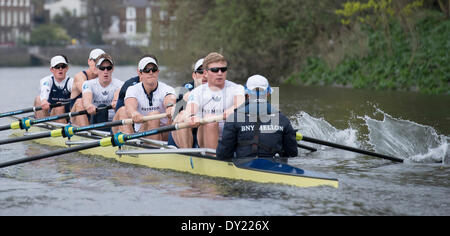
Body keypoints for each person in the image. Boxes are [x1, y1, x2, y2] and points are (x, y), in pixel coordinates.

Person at [216, 75, 298, 159]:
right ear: (268, 93)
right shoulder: (282, 119)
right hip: (275, 167)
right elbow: (292, 152)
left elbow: (223, 154)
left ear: (247, 93)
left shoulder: (233, 118)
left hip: (243, 166)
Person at [183, 52, 245, 149]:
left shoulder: (237, 88)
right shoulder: (197, 92)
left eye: (223, 70)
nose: (220, 73)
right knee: (210, 120)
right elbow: (188, 113)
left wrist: (233, 109)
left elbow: (240, 103)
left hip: (230, 137)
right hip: (205, 136)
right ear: (205, 73)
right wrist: (191, 118)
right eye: (215, 70)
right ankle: (212, 157)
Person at [123, 56, 176, 140]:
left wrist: (170, 107)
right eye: (147, 70)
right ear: (140, 73)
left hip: (164, 131)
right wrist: (134, 113)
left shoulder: (167, 89)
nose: (151, 72)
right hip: (142, 132)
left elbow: (169, 98)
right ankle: (155, 149)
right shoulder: (132, 89)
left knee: (178, 117)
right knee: (154, 115)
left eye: (154, 69)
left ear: (158, 72)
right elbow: (130, 105)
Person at [168, 58, 207, 148]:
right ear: (194, 75)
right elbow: (174, 109)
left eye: (208, 71)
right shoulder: (187, 88)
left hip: (206, 130)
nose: (204, 75)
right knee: (180, 117)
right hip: (188, 130)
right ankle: (187, 154)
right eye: (201, 72)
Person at [80, 53, 124, 127]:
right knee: (100, 107)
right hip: (96, 120)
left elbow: (118, 93)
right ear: (97, 69)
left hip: (114, 122)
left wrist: (116, 101)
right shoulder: (88, 84)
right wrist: (88, 105)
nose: (105, 71)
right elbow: (86, 99)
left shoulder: (120, 84)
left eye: (108, 68)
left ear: (112, 69)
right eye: (102, 68)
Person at [70, 48, 105, 126]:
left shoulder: (106, 78)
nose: (97, 64)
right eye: (95, 61)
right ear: (89, 61)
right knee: (80, 101)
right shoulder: (80, 77)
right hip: (75, 119)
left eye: (100, 62)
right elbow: (85, 89)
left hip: (94, 117)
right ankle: (87, 133)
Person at [33, 55, 73, 123]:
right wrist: (44, 100)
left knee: (59, 106)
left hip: (66, 117)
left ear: (67, 68)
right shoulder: (46, 80)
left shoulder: (71, 82)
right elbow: (45, 89)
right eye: (57, 67)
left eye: (63, 66)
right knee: (38, 99)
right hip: (48, 114)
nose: (60, 69)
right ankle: (41, 125)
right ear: (52, 69)